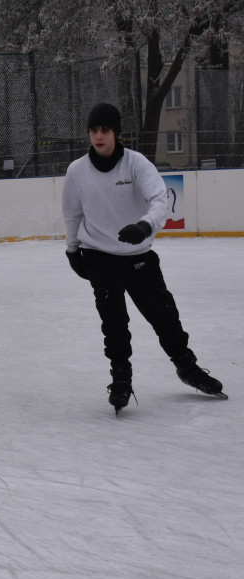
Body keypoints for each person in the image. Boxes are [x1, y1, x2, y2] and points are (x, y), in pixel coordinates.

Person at [62, 102, 225, 414]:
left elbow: (159, 199)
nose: (99, 136)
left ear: (116, 133)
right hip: (98, 255)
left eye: (105, 130)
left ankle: (187, 368)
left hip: (138, 255)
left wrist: (145, 225)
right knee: (114, 323)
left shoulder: (136, 164)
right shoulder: (77, 172)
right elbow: (72, 214)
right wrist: (72, 250)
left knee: (164, 315)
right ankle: (121, 380)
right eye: (94, 130)